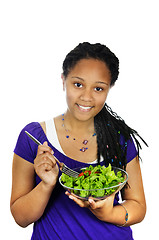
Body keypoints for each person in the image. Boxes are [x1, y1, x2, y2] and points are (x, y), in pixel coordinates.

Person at [10, 42, 147, 240]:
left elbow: (138, 206)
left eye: (98, 89)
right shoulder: (34, 137)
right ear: (63, 80)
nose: (86, 97)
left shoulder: (119, 139)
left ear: (110, 88)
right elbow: (20, 218)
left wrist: (108, 213)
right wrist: (46, 185)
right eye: (78, 84)